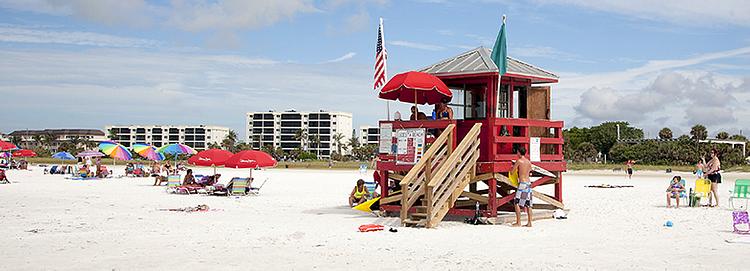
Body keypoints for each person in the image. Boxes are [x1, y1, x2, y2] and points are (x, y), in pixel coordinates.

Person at [511, 147, 533, 227]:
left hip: (522, 184)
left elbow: (512, 171)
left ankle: (518, 222)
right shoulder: (528, 162)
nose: (517, 154)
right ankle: (530, 222)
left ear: (519, 153)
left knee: (516, 202)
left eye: (517, 152)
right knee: (528, 204)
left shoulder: (519, 161)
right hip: (528, 184)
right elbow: (530, 172)